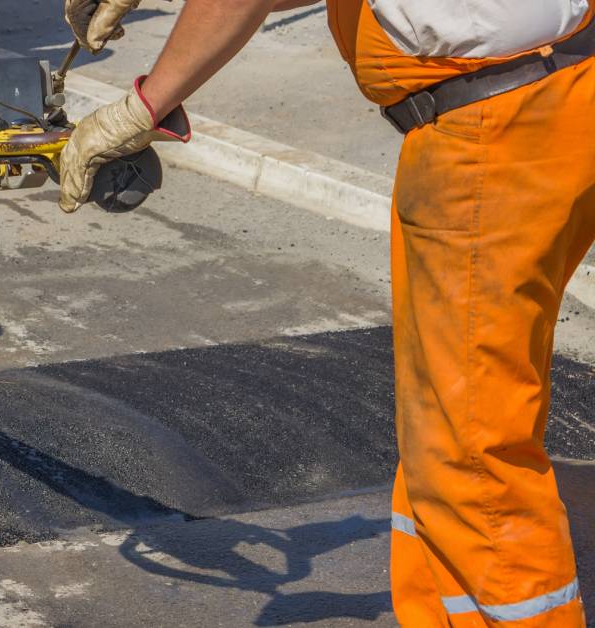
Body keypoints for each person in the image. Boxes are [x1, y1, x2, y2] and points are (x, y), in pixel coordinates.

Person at [59, 0, 595, 625]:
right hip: (550, 96)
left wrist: (145, 106)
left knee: (470, 444)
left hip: (495, 129)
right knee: (443, 422)